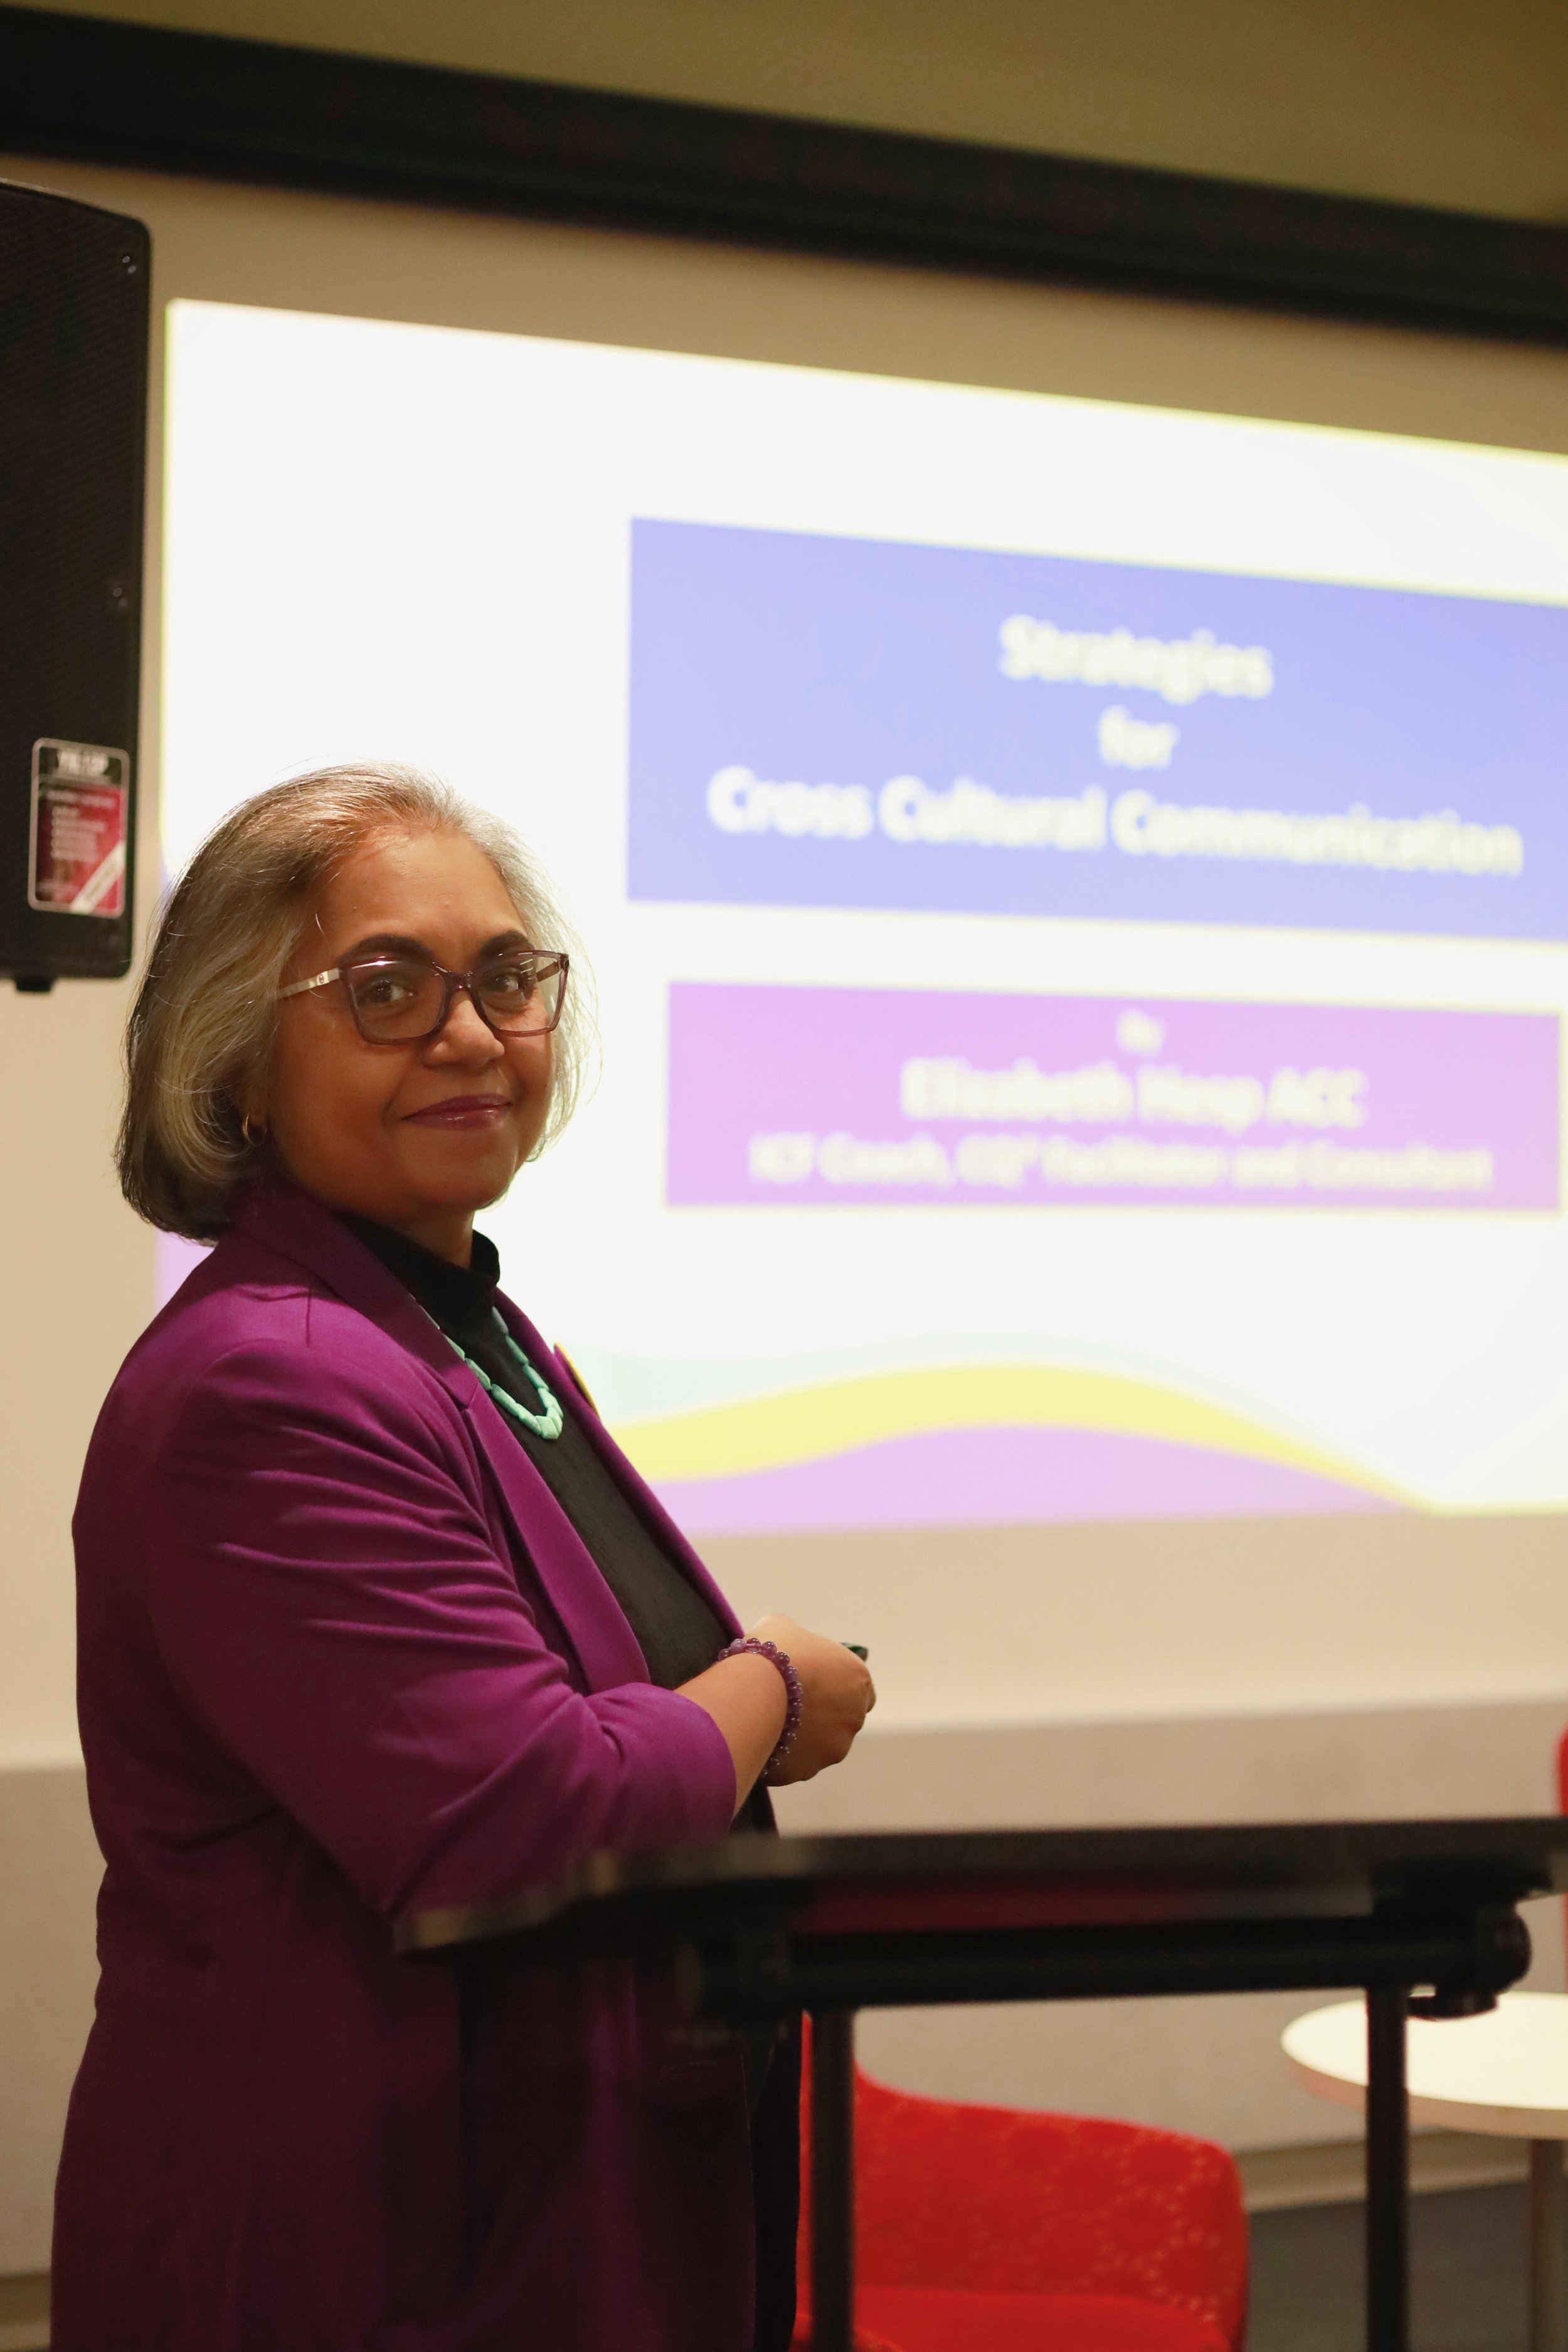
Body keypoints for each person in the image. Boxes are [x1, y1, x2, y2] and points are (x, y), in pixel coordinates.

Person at [52, 763, 875, 2352]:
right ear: (236, 1069)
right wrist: (768, 1679)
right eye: (384, 989)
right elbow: (531, 1817)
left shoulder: (469, 1336)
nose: (471, 1031)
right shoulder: (272, 1378)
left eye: (504, 977)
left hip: (535, 2205)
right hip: (353, 2253)